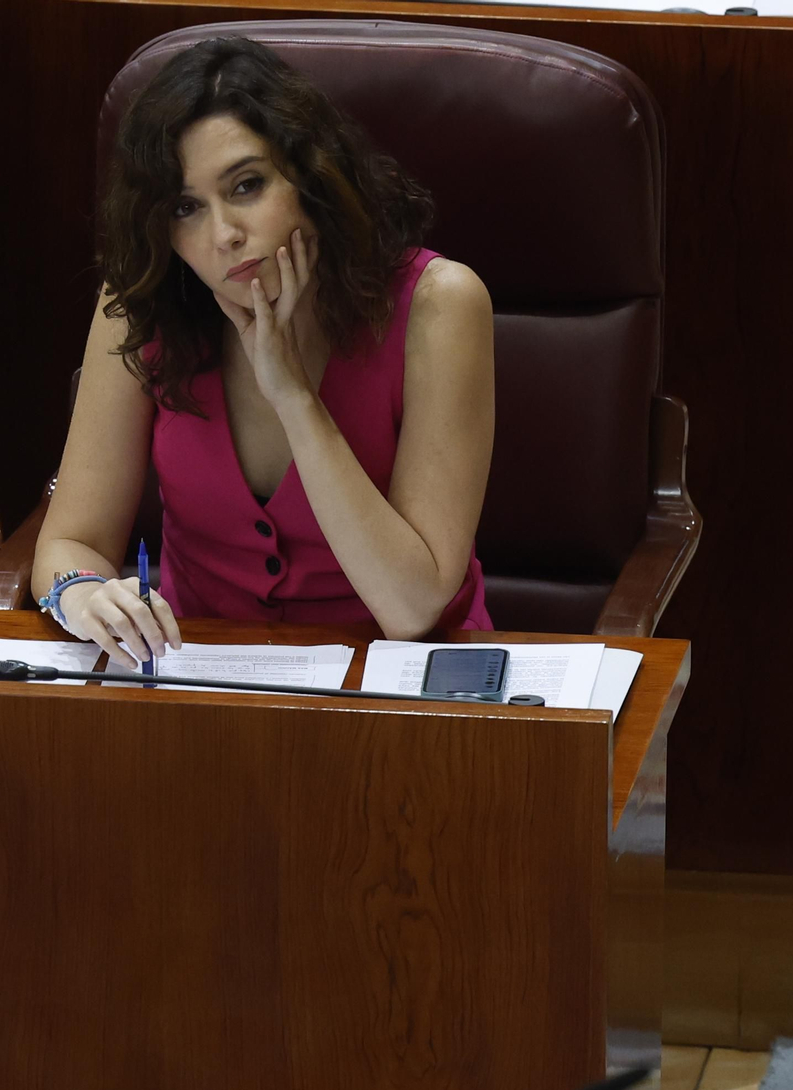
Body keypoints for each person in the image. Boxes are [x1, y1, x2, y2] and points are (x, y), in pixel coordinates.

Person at [33, 37, 496, 668]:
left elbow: (413, 607)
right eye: (186, 208)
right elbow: (71, 541)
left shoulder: (439, 305)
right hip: (202, 687)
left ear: (312, 175)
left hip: (400, 694)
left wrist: (295, 399)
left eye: (246, 186)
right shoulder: (145, 305)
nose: (223, 235)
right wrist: (81, 593)